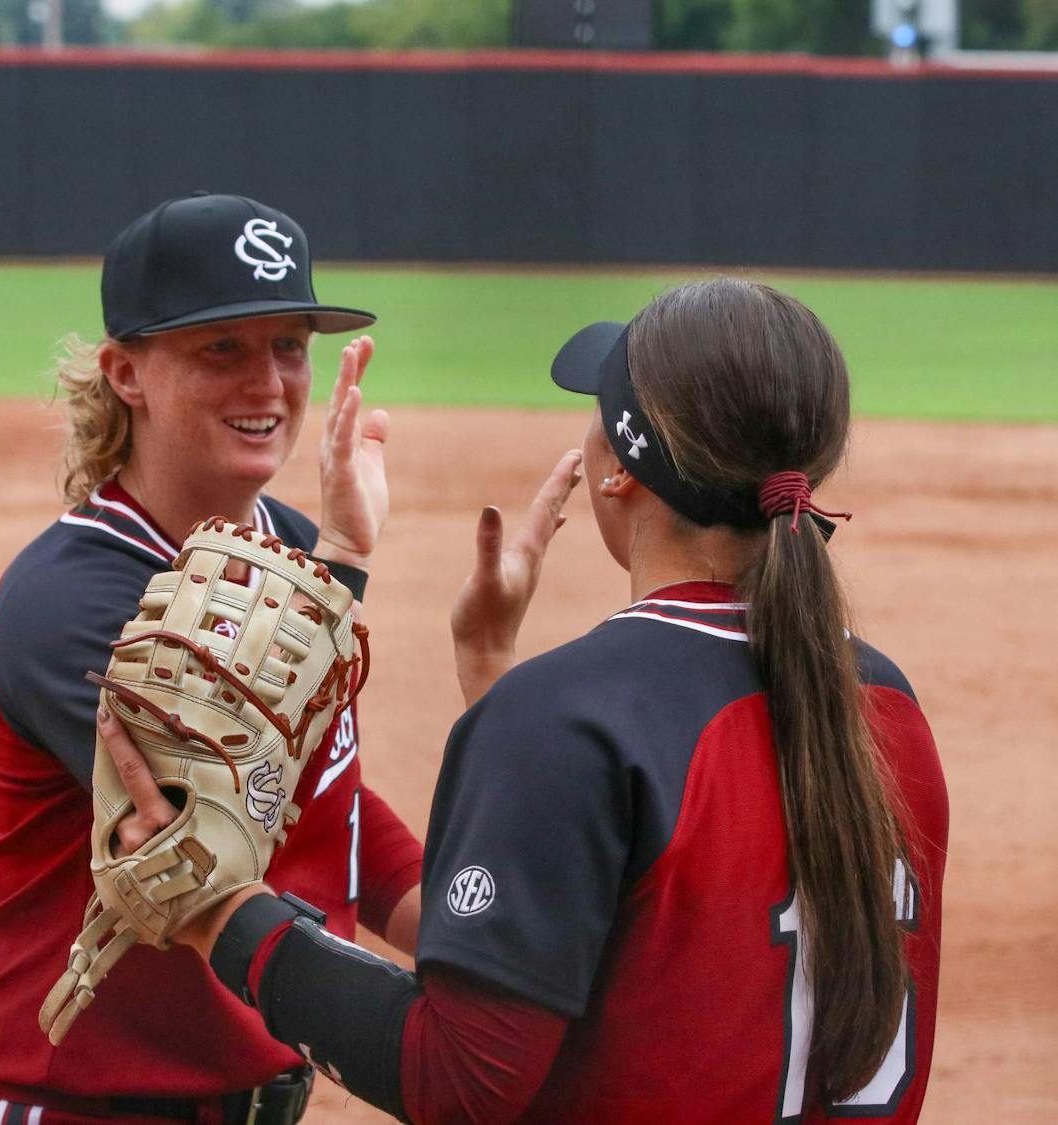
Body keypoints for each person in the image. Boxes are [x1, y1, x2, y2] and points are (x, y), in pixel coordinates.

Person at [101, 277, 949, 1123]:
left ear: (616, 469)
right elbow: (672, 937)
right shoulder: (883, 706)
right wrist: (492, 667)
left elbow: (458, 1078)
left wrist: (221, 913)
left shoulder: (570, 720)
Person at [0, 193, 425, 1125]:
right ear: (127, 372)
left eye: (289, 345)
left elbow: (321, 793)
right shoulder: (67, 602)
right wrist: (345, 568)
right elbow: (220, 817)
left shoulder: (289, 548)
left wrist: (461, 943)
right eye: (222, 350)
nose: (269, 384)